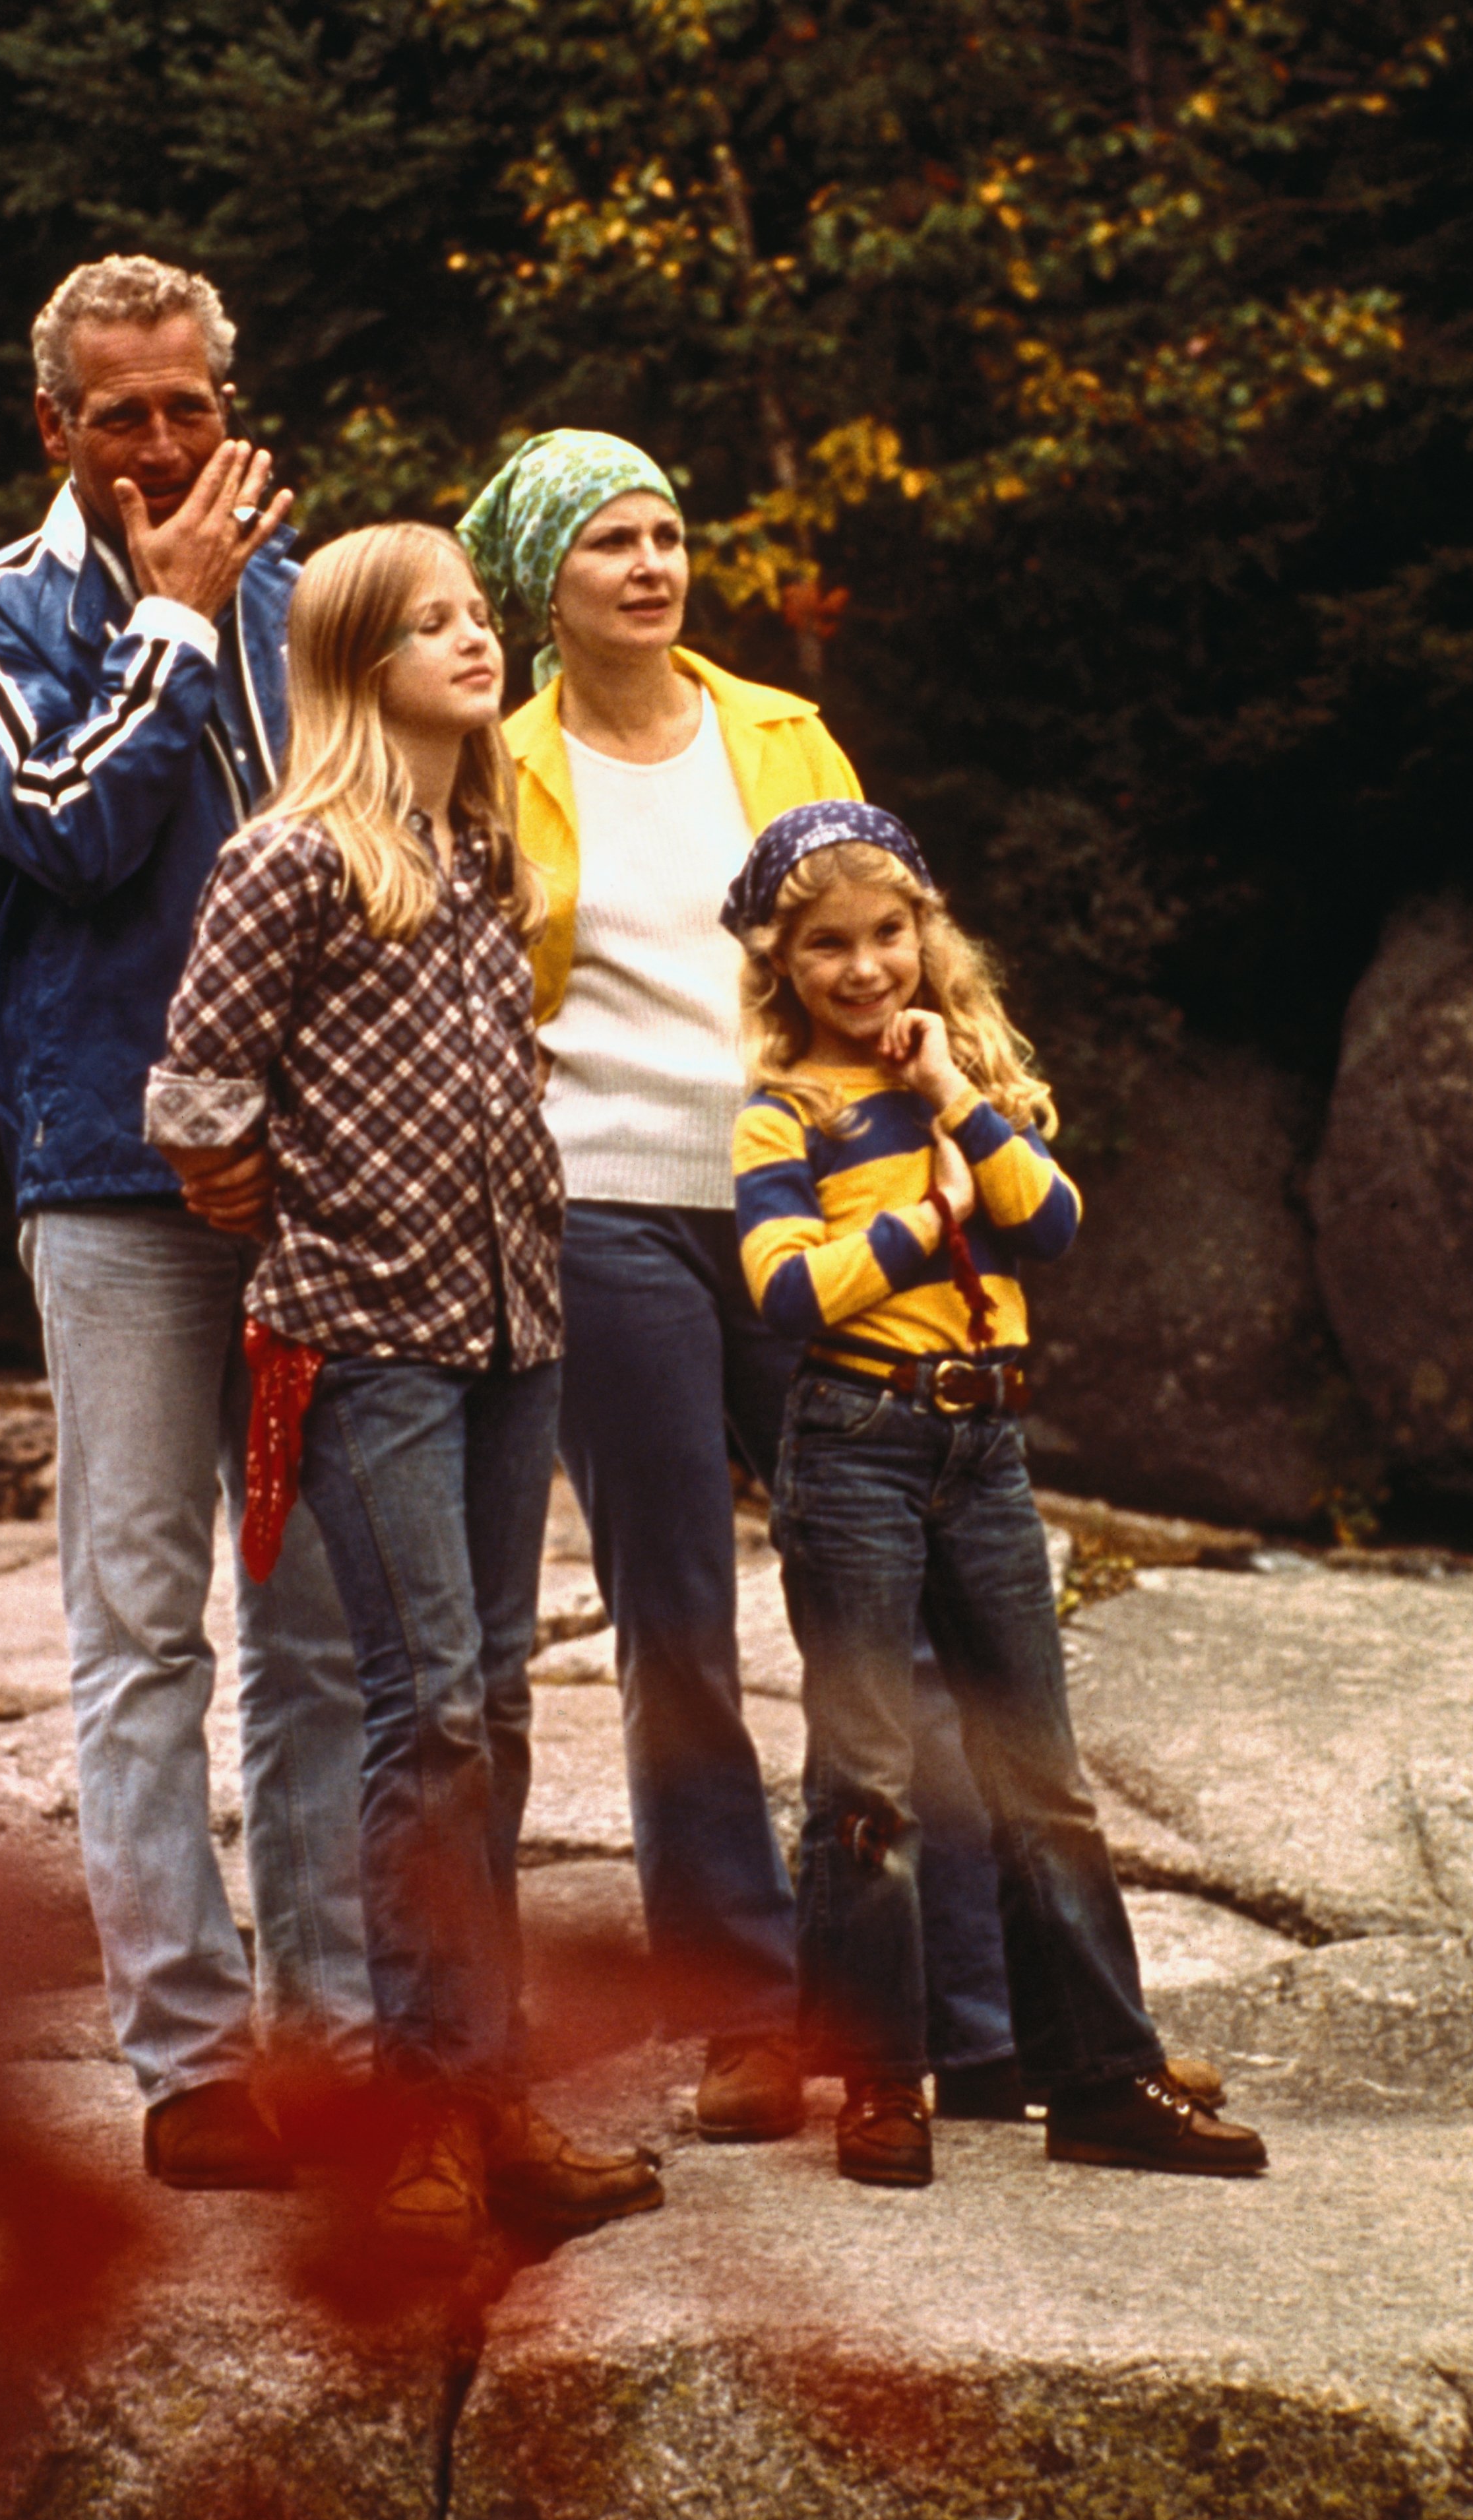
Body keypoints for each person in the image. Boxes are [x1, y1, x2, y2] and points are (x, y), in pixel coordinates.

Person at [458, 430, 1022, 2141]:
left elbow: (884, 944)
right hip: (604, 1214)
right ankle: (740, 2014)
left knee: (896, 1601)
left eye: (666, 532)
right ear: (542, 585)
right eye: (610, 543)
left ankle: (955, 2012)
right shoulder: (493, 761)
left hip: (810, 1205)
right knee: (677, 1627)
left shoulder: (780, 733)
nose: (651, 564)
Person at [145, 521, 662, 2264]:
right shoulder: (292, 855)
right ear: (359, 663)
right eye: (428, 622)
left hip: (516, 1322)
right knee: (422, 1707)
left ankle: (488, 2089)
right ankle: (420, 2116)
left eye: (474, 615)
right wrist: (275, 1209)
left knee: (496, 1709)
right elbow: (194, 1086)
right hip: (363, 1332)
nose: (472, 640)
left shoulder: (479, 841)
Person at [0, 254, 369, 2188]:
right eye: (123, 413)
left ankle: (337, 2044)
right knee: (135, 1630)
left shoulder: (304, 602)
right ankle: (190, 2066)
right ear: (56, 426)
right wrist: (175, 626)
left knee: (318, 1626)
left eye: (190, 405)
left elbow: (371, 863)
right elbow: (73, 829)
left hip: (308, 1194)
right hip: (108, 1190)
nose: (164, 444)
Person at [727, 800, 1267, 2185]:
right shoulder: (782, 1112)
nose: (864, 967)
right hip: (852, 1442)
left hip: (985, 1452)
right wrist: (925, 1216)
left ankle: (1098, 2073)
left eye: (888, 933)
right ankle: (880, 2078)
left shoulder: (959, 1082)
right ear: (782, 964)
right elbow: (787, 1289)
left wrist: (954, 1103)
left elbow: (1055, 1220)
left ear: (927, 935)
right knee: (868, 1774)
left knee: (1042, 1772)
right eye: (829, 945)